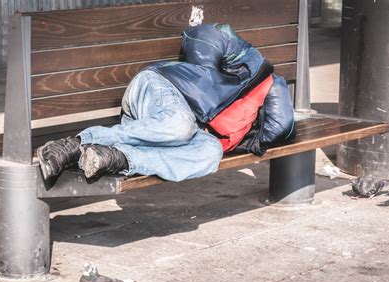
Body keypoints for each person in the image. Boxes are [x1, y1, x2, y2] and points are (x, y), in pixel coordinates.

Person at [37, 23, 273, 182]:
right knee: (178, 126)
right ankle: (75, 144)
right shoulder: (242, 64)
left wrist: (248, 139)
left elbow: (277, 126)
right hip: (159, 88)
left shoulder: (260, 90)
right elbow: (202, 42)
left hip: (180, 126)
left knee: (210, 153)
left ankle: (115, 157)